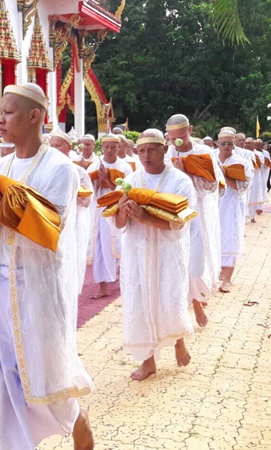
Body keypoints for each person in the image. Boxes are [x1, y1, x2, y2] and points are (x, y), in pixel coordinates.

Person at [0, 84, 94, 450]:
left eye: (8, 113)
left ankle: (76, 419)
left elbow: (49, 229)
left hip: (37, 284)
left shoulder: (61, 169)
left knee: (43, 369)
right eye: (0, 113)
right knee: (3, 374)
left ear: (35, 116)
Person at [112, 129, 195, 381]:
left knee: (170, 296)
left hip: (167, 251)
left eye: (151, 150)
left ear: (165, 150)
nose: (146, 156)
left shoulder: (180, 182)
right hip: (136, 252)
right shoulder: (131, 180)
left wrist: (146, 218)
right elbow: (117, 222)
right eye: (141, 151)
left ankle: (178, 340)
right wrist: (125, 212)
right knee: (138, 301)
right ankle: (148, 362)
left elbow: (180, 222)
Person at [165, 114, 223, 328]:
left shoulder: (204, 152)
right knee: (178, 260)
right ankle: (193, 302)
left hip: (197, 211)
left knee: (195, 261)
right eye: (172, 138)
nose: (176, 142)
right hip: (174, 212)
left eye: (180, 137)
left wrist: (186, 174)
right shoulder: (167, 153)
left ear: (190, 130)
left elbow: (212, 186)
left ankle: (197, 297)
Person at [87, 134, 133, 299]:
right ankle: (103, 285)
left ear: (119, 147)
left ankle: (124, 279)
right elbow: (87, 188)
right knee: (100, 245)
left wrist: (107, 179)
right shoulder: (94, 165)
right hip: (100, 211)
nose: (109, 150)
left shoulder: (125, 167)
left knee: (121, 243)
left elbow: (127, 190)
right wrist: (98, 181)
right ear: (102, 147)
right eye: (106, 147)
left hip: (118, 209)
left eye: (113, 147)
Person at [51, 128, 94, 292]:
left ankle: (70, 292)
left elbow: (87, 199)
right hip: (52, 221)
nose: (55, 149)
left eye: (58, 146)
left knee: (70, 257)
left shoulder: (79, 172)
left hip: (73, 222)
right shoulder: (47, 169)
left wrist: (71, 193)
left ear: (68, 147)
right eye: (52, 146)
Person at [216, 128, 254, 293]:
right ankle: (216, 273)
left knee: (230, 239)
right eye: (223, 143)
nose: (226, 147)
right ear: (218, 143)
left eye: (229, 144)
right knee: (214, 238)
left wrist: (224, 175)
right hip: (213, 205)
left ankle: (227, 279)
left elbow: (243, 186)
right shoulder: (211, 159)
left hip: (231, 206)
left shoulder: (242, 162)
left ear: (234, 145)